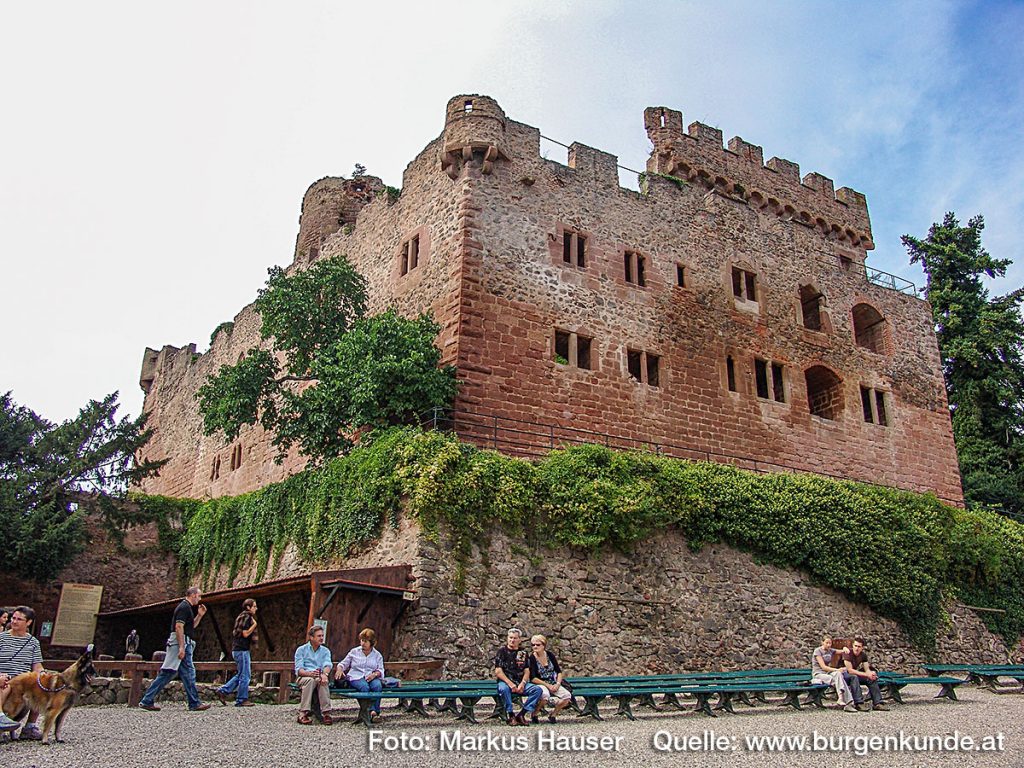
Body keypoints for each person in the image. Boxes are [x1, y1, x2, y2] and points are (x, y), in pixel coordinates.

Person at [138, 587, 212, 712]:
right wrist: (182, 647)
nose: (200, 599)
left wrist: (199, 615)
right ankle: (147, 700)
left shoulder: (187, 608)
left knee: (185, 673)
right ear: (193, 595)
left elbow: (190, 627)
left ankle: (194, 702)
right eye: (199, 596)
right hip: (179, 643)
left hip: (183, 642)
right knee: (170, 672)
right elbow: (178, 627)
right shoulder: (183, 607)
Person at [0, 606, 45, 738]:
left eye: (19, 619)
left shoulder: (33, 643)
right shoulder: (1, 639)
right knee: (5, 686)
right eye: (13, 618)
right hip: (5, 677)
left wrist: (41, 674)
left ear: (28, 622)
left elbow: (37, 665)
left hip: (23, 680)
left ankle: (30, 727)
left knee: (40, 687)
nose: (14, 621)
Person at [493, 628, 543, 726]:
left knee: (537, 690)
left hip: (520, 682)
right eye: (510, 638)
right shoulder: (501, 652)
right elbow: (498, 671)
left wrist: (523, 683)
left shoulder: (522, 653)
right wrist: (510, 684)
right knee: (503, 689)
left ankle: (521, 714)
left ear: (519, 640)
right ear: (507, 638)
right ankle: (511, 715)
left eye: (515, 638)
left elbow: (526, 670)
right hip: (506, 682)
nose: (512, 640)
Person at [335, 628, 385, 723]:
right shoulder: (354, 652)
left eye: (365, 641)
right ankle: (369, 711)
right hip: (356, 676)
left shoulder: (377, 655)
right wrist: (340, 669)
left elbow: (380, 670)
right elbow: (343, 663)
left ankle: (375, 711)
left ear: (372, 643)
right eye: (362, 640)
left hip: (371, 676)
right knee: (364, 687)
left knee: (377, 686)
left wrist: (374, 675)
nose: (363, 643)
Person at [216, 598, 258, 707]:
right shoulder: (247, 617)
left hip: (239, 649)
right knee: (245, 675)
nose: (256, 608)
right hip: (241, 649)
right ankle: (241, 699)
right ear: (248, 607)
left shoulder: (242, 616)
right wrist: (254, 625)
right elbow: (245, 633)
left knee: (241, 674)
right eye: (254, 606)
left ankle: (223, 691)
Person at [528, 634, 572, 724]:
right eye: (533, 645)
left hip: (553, 682)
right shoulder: (531, 658)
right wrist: (548, 685)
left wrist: (557, 684)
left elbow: (558, 671)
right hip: (540, 683)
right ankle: (535, 713)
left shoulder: (550, 655)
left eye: (538, 644)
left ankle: (553, 714)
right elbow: (533, 678)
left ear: (543, 645)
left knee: (567, 696)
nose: (535, 647)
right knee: (545, 696)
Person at [294, 625, 333, 725]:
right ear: (311, 637)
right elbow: (299, 670)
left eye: (322, 636)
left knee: (323, 680)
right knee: (311, 680)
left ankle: (326, 713)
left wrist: (325, 674)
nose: (321, 638)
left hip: (319, 676)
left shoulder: (325, 651)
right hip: (304, 676)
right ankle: (303, 713)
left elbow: (327, 664)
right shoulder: (301, 650)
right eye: (319, 636)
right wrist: (309, 674)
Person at [843, 636, 889, 711]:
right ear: (852, 646)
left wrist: (871, 674)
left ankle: (878, 703)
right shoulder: (847, 653)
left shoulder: (863, 655)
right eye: (855, 646)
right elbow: (850, 670)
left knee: (871, 678)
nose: (857, 648)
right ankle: (859, 703)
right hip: (843, 675)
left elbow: (866, 669)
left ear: (862, 648)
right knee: (854, 677)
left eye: (859, 646)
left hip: (854, 674)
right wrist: (866, 674)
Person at [810, 634, 854, 711]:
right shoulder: (818, 651)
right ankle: (849, 701)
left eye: (830, 643)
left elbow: (841, 651)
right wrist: (837, 669)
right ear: (822, 642)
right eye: (827, 643)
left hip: (828, 673)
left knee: (838, 675)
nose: (828, 645)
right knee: (839, 680)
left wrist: (845, 648)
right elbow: (823, 667)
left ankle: (840, 698)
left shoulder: (831, 650)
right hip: (819, 674)